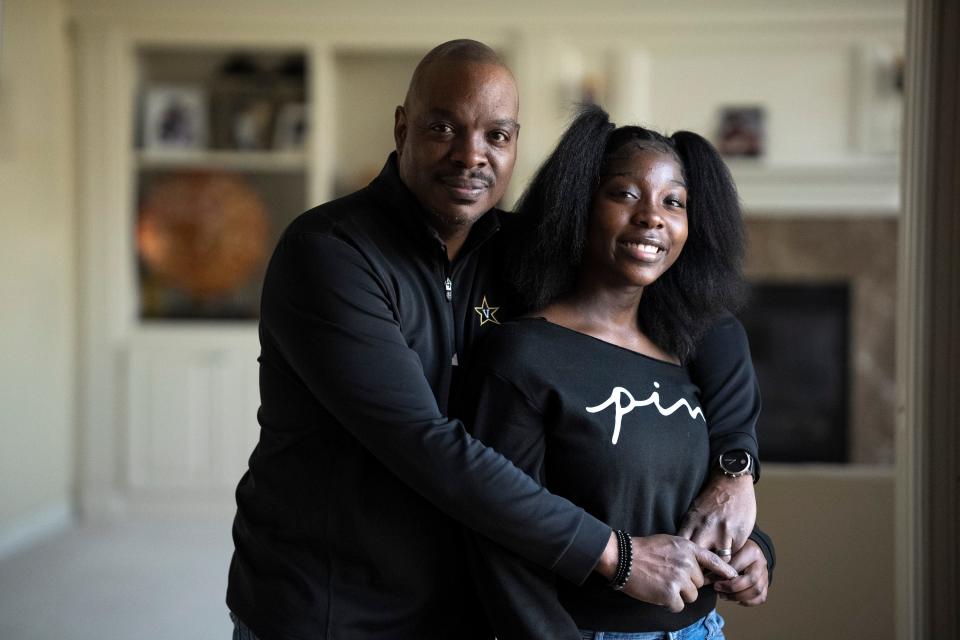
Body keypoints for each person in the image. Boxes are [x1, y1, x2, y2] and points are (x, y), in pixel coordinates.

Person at [226, 40, 762, 640]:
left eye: (497, 136)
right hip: (331, 605)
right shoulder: (331, 253)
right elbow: (423, 442)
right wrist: (617, 555)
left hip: (463, 605)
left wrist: (734, 469)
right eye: (442, 128)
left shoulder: (519, 253)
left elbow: (706, 320)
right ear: (402, 127)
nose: (470, 155)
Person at [456, 105, 773, 640]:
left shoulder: (680, 355)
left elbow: (667, 498)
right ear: (579, 204)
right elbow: (496, 541)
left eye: (673, 202)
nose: (653, 216)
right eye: (626, 194)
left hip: (701, 630)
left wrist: (754, 549)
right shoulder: (522, 356)